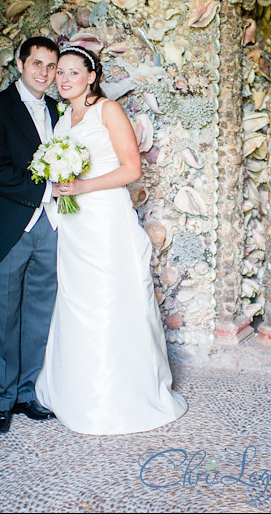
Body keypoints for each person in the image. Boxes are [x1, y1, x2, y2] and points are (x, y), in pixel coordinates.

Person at [35, 45, 187, 434]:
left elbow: (132, 168)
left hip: (104, 218)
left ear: (91, 76)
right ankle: (76, 391)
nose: (64, 79)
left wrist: (83, 185)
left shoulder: (108, 110)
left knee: (109, 298)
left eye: (73, 72)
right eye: (60, 73)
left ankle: (119, 396)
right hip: (74, 224)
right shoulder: (63, 117)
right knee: (76, 298)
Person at [0, 36, 68, 435]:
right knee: (3, 317)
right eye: (37, 64)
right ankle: (0, 401)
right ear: (20, 63)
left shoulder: (60, 110)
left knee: (39, 314)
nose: (44, 73)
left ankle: (28, 393)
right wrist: (47, 190)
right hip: (11, 227)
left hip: (54, 227)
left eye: (51, 66)